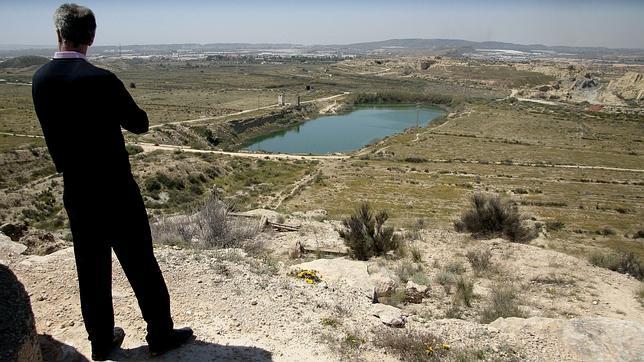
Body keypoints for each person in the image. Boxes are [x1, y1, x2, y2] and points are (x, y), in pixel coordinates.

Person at [31, 4, 192, 360]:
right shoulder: (102, 79)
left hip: (76, 188)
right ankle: (160, 335)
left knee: (90, 267)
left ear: (59, 33)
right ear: (91, 36)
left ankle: (101, 340)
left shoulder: (40, 79)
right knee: (141, 264)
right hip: (116, 189)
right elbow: (139, 124)